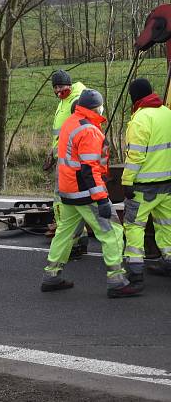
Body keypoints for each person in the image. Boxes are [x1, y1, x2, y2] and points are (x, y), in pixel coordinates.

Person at [42, 89, 141, 298]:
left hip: (67, 190)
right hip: (85, 193)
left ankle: (51, 275)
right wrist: (102, 199)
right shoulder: (89, 131)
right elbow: (89, 169)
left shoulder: (70, 123)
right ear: (96, 107)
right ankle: (116, 281)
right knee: (112, 231)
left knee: (65, 233)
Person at [121, 78, 171, 282]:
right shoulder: (167, 113)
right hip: (168, 183)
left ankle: (135, 270)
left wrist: (126, 181)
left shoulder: (140, 118)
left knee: (134, 225)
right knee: (166, 224)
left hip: (143, 187)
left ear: (135, 97)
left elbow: (135, 155)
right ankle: (169, 262)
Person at [44, 69, 88, 257]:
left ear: (69, 85)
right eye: (55, 87)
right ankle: (78, 239)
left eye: (61, 86)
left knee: (63, 202)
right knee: (70, 202)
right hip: (62, 158)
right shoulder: (64, 101)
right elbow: (60, 135)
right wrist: (52, 152)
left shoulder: (77, 99)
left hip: (70, 162)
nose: (57, 90)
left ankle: (68, 242)